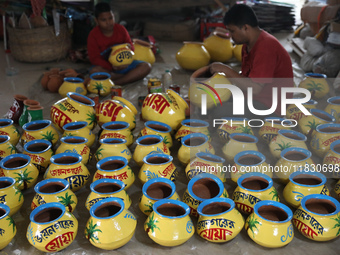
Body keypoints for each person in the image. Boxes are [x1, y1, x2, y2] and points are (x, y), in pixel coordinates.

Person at [209, 4, 294, 117]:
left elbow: (255, 88)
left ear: (245, 28)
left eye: (232, 31)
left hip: (270, 106)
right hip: (254, 97)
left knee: (219, 111)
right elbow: (246, 78)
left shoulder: (266, 47)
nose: (230, 35)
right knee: (210, 100)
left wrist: (226, 70)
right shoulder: (248, 45)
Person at [87, 2, 151, 85]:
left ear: (114, 16)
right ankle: (128, 77)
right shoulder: (93, 35)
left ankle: (116, 82)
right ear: (96, 20)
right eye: (103, 20)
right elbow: (94, 58)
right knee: (94, 72)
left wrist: (126, 62)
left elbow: (131, 47)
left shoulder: (121, 29)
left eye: (110, 18)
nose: (108, 22)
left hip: (125, 65)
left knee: (146, 66)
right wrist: (112, 67)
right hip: (107, 68)